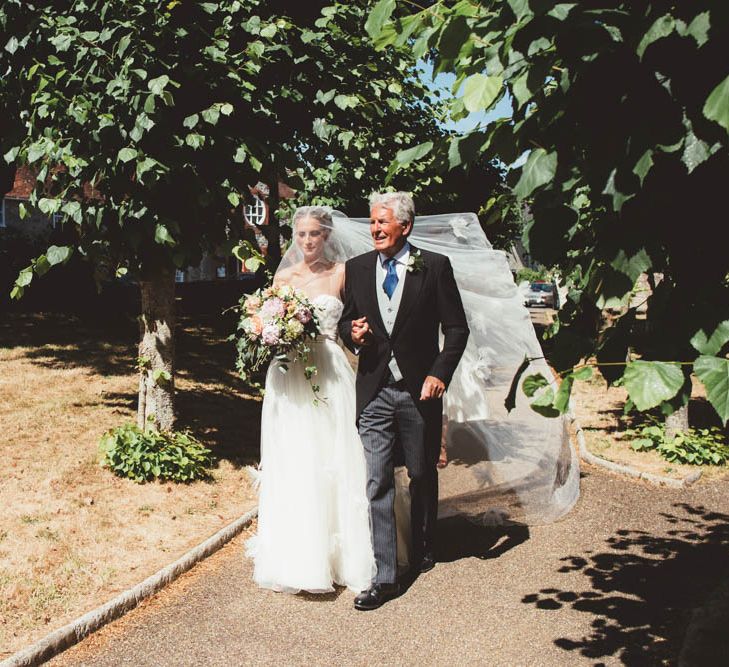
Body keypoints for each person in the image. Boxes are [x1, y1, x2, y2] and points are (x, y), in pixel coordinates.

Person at [338, 192, 470, 611]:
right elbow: (347, 320)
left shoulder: (434, 267)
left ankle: (425, 542)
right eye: (373, 222)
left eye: (382, 223)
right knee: (377, 481)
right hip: (374, 391)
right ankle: (386, 576)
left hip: (419, 391)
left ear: (405, 227)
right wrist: (352, 334)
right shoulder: (357, 268)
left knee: (420, 473)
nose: (374, 229)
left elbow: (457, 329)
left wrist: (439, 373)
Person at [246, 206, 375, 594]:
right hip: (290, 374)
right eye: (300, 234)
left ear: (327, 236)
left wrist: (359, 334)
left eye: (314, 235)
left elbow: (354, 322)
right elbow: (270, 320)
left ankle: (344, 553)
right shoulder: (283, 276)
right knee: (297, 454)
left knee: (334, 453)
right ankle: (300, 553)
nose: (306, 242)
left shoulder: (342, 273)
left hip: (330, 369)